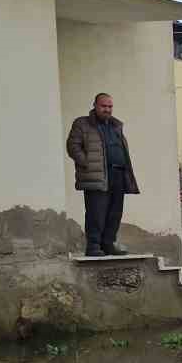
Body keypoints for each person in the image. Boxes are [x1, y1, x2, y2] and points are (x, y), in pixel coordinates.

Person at [66, 93, 140, 257]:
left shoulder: (116, 126)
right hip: (96, 175)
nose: (107, 109)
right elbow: (72, 146)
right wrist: (86, 163)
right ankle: (93, 246)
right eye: (103, 106)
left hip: (118, 174)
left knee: (115, 212)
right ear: (95, 105)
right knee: (96, 212)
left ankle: (108, 244)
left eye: (110, 106)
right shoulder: (82, 123)